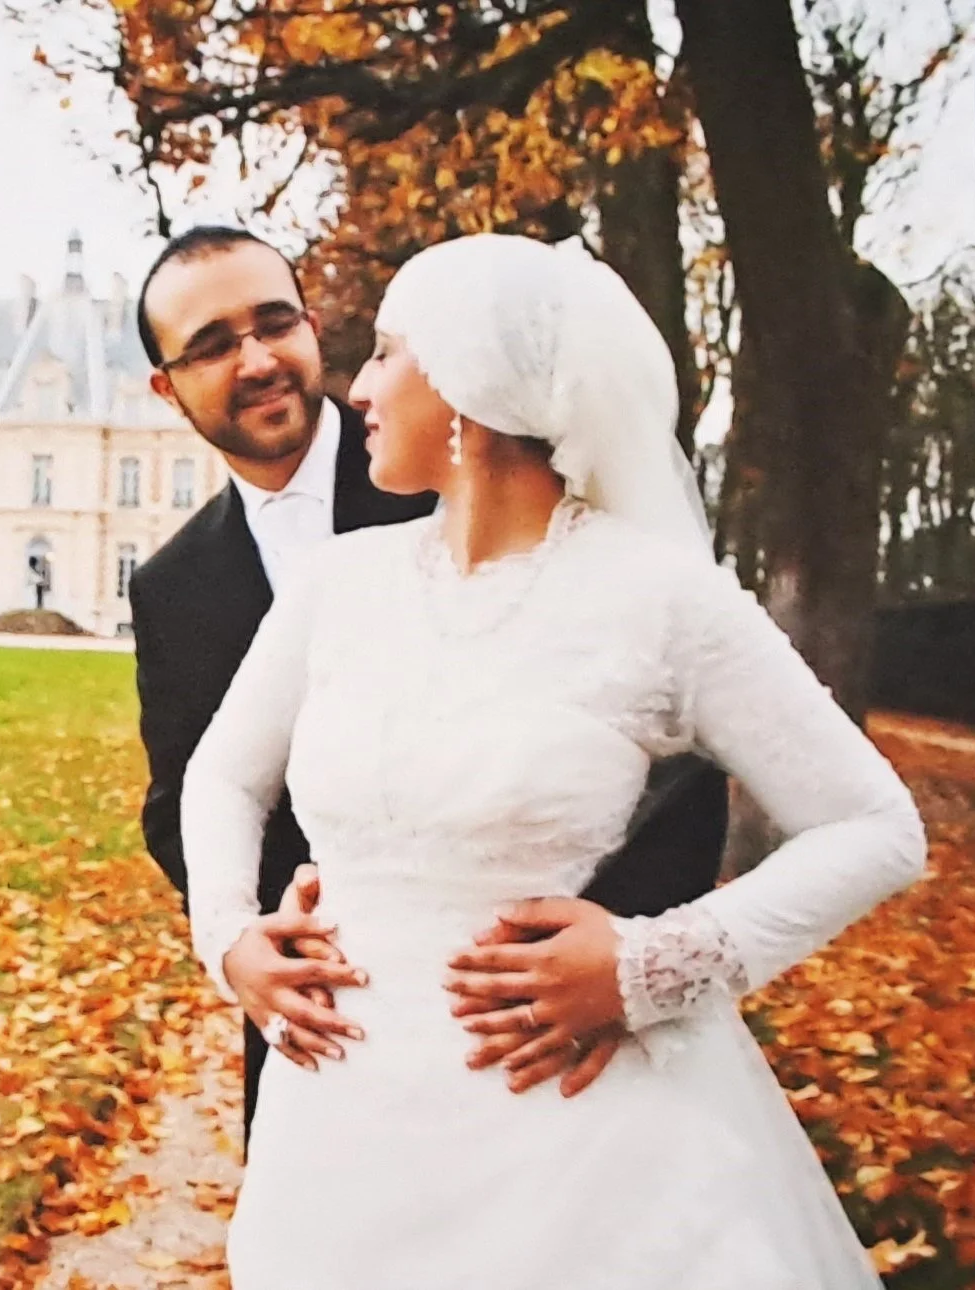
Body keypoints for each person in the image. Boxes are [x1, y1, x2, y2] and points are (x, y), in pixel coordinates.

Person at [179, 232, 926, 1287]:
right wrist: (231, 943)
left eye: (389, 353)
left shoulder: (660, 599)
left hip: (571, 1153)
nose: (359, 387)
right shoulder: (337, 585)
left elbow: (877, 828)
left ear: (470, 383)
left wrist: (647, 967)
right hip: (339, 1136)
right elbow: (222, 777)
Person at [127, 225, 729, 1144]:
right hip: (328, 1021)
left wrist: (622, 953)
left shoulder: (467, 466)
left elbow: (672, 744)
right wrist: (243, 940)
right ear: (167, 387)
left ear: (314, 324)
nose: (256, 360)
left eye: (274, 322)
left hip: (539, 1014)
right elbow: (182, 793)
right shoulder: (170, 586)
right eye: (212, 345)